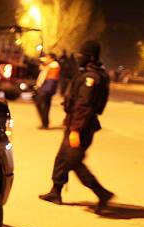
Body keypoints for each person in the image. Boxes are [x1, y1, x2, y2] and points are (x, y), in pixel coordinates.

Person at [39, 40, 114, 214]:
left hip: (82, 126)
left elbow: (84, 106)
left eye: (82, 55)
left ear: (91, 57)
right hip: (75, 123)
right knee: (62, 158)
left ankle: (102, 194)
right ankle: (55, 192)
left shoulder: (91, 78)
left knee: (73, 161)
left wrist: (75, 130)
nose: (78, 57)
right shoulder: (91, 73)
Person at [34, 53, 61, 129]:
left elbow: (52, 80)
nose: (46, 59)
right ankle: (45, 122)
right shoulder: (49, 66)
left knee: (42, 105)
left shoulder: (54, 66)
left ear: (52, 59)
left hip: (46, 89)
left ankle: (45, 123)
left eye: (47, 58)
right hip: (45, 88)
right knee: (45, 106)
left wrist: (44, 90)